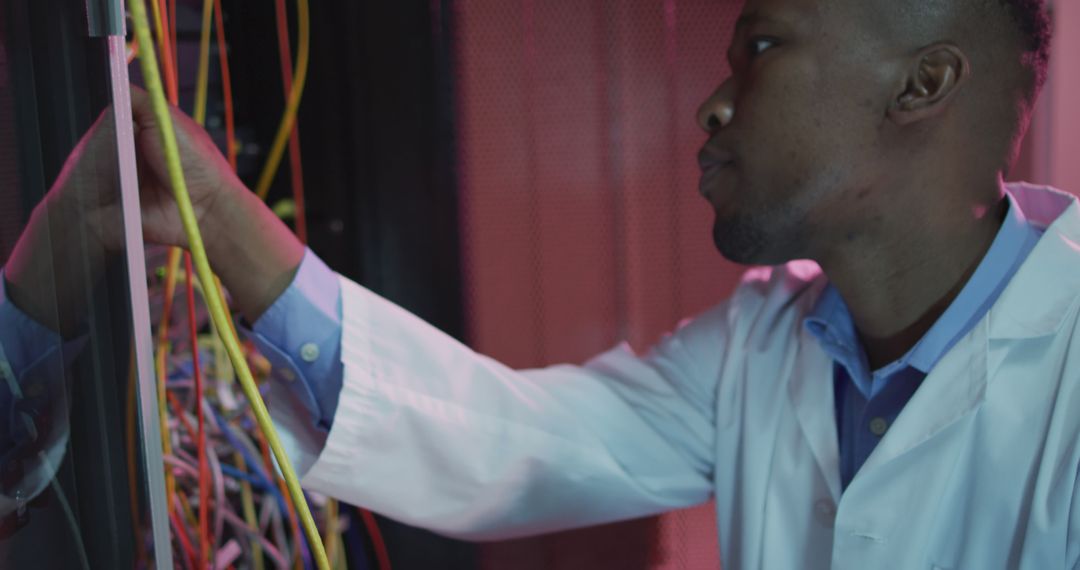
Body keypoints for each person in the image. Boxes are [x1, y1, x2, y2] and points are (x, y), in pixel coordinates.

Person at [2, 0, 1077, 567]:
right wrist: (219, 222)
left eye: (762, 45)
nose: (713, 103)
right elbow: (509, 446)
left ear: (922, 83)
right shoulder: (767, 341)